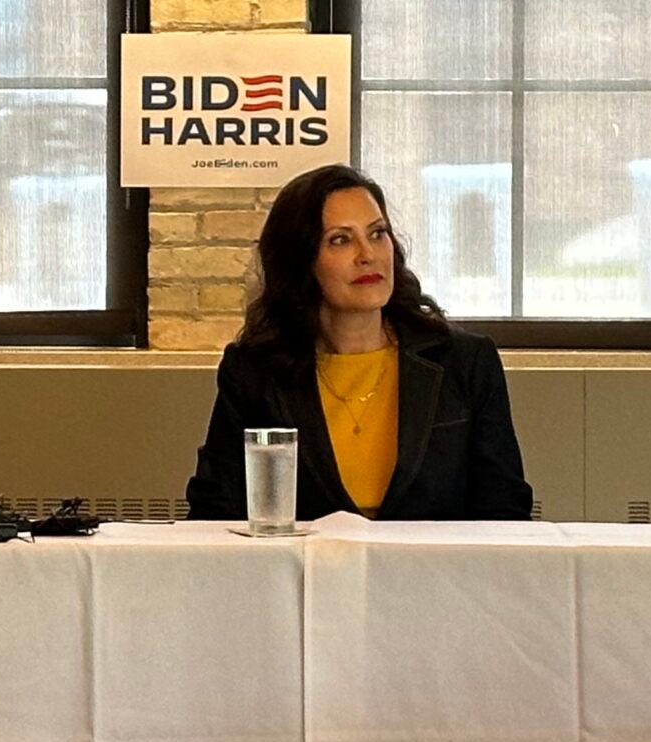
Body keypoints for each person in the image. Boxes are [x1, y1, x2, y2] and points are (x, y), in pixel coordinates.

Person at [184, 163, 533, 522]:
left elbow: (504, 512)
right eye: (341, 240)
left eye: (377, 233)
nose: (368, 254)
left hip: (441, 561)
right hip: (304, 560)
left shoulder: (465, 361)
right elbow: (214, 512)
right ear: (301, 262)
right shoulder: (254, 371)